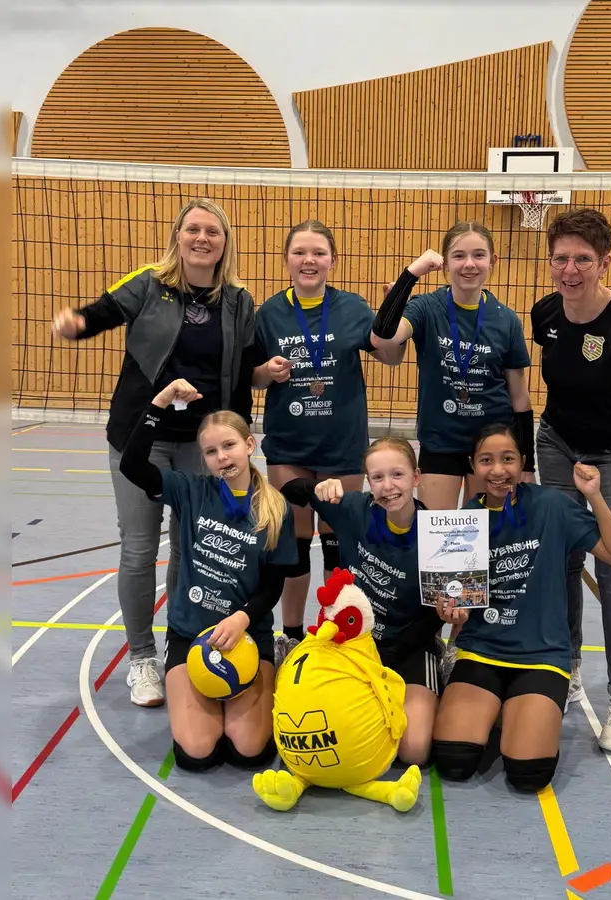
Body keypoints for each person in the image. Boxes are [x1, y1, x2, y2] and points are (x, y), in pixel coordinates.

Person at [52, 198, 264, 709]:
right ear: (178, 236)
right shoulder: (151, 283)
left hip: (202, 443)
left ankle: (180, 647)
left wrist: (262, 387)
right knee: (139, 548)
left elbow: (249, 369)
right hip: (139, 435)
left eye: (212, 231)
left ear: (224, 243)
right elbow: (103, 312)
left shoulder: (238, 301)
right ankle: (142, 658)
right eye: (193, 229)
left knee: (191, 548)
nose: (201, 238)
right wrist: (76, 322)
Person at [429, 424, 611, 793]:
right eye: (487, 460)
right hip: (482, 651)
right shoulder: (462, 522)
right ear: (473, 466)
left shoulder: (551, 505)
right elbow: (456, 601)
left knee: (529, 775)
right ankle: (497, 706)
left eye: (508, 459)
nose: (498, 470)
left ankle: (514, 709)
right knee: (454, 762)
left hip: (540, 656)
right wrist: (451, 616)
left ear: (523, 462)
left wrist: (594, 495)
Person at [529, 207, 611, 753]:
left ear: (605, 261)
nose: (570, 269)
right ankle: (567, 667)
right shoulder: (544, 314)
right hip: (558, 443)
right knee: (561, 557)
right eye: (561, 258)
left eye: (583, 259)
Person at [116, 379, 296, 773]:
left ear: (249, 445)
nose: (222, 457)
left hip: (248, 635)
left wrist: (242, 617)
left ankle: (260, 681)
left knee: (249, 750)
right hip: (191, 634)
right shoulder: (190, 490)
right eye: (211, 452)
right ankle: (201, 700)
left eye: (229, 446)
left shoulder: (276, 507)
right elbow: (132, 465)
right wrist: (160, 403)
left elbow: (274, 581)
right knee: (198, 751)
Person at [253, 220, 396, 666]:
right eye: (300, 252)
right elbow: (252, 378)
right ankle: (291, 635)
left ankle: (338, 635)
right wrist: (267, 373)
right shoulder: (269, 313)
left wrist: (395, 312)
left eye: (318, 252)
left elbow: (391, 357)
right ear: (287, 260)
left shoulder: (353, 308)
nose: (309, 260)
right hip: (289, 445)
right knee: (294, 548)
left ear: (332, 260)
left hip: (342, 446)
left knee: (338, 546)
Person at [277, 436, 443, 765]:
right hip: (350, 642)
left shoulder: (437, 535)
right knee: (320, 725)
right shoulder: (354, 509)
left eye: (397, 475)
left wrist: (389, 655)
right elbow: (291, 489)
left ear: (416, 478)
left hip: (409, 645)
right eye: (378, 477)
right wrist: (320, 487)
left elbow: (432, 618)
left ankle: (437, 675)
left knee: (414, 751)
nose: (388, 486)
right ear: (368, 482)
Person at [368, 222, 534, 511]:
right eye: (459, 256)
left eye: (479, 255)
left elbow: (519, 397)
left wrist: (526, 461)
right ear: (445, 262)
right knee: (436, 538)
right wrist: (411, 274)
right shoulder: (425, 308)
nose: (469, 264)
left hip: (492, 443)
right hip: (441, 439)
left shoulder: (507, 319)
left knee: (487, 538)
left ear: (493, 261)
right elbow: (383, 337)